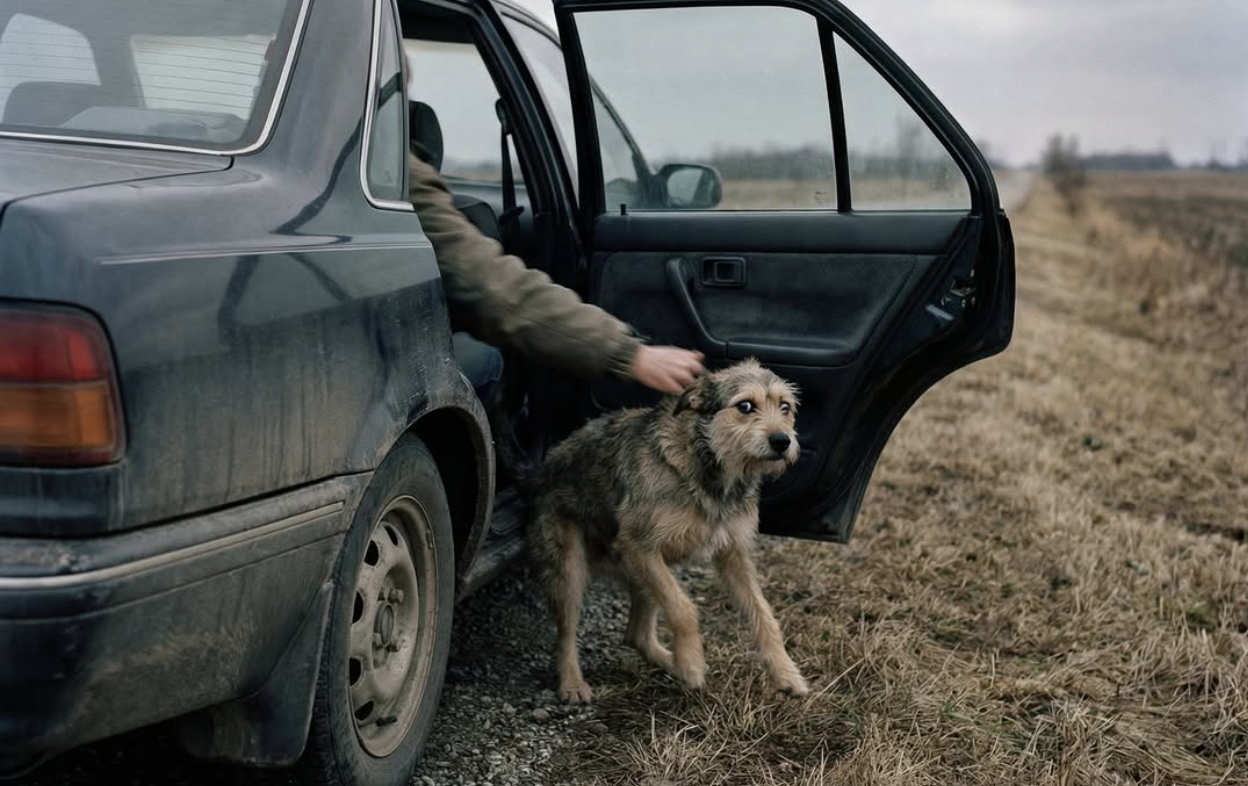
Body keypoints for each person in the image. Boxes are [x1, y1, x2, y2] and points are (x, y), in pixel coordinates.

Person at [406, 152, 705, 402]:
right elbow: (496, 292)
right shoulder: (401, 171)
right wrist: (627, 354)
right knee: (486, 360)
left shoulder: (387, 162)